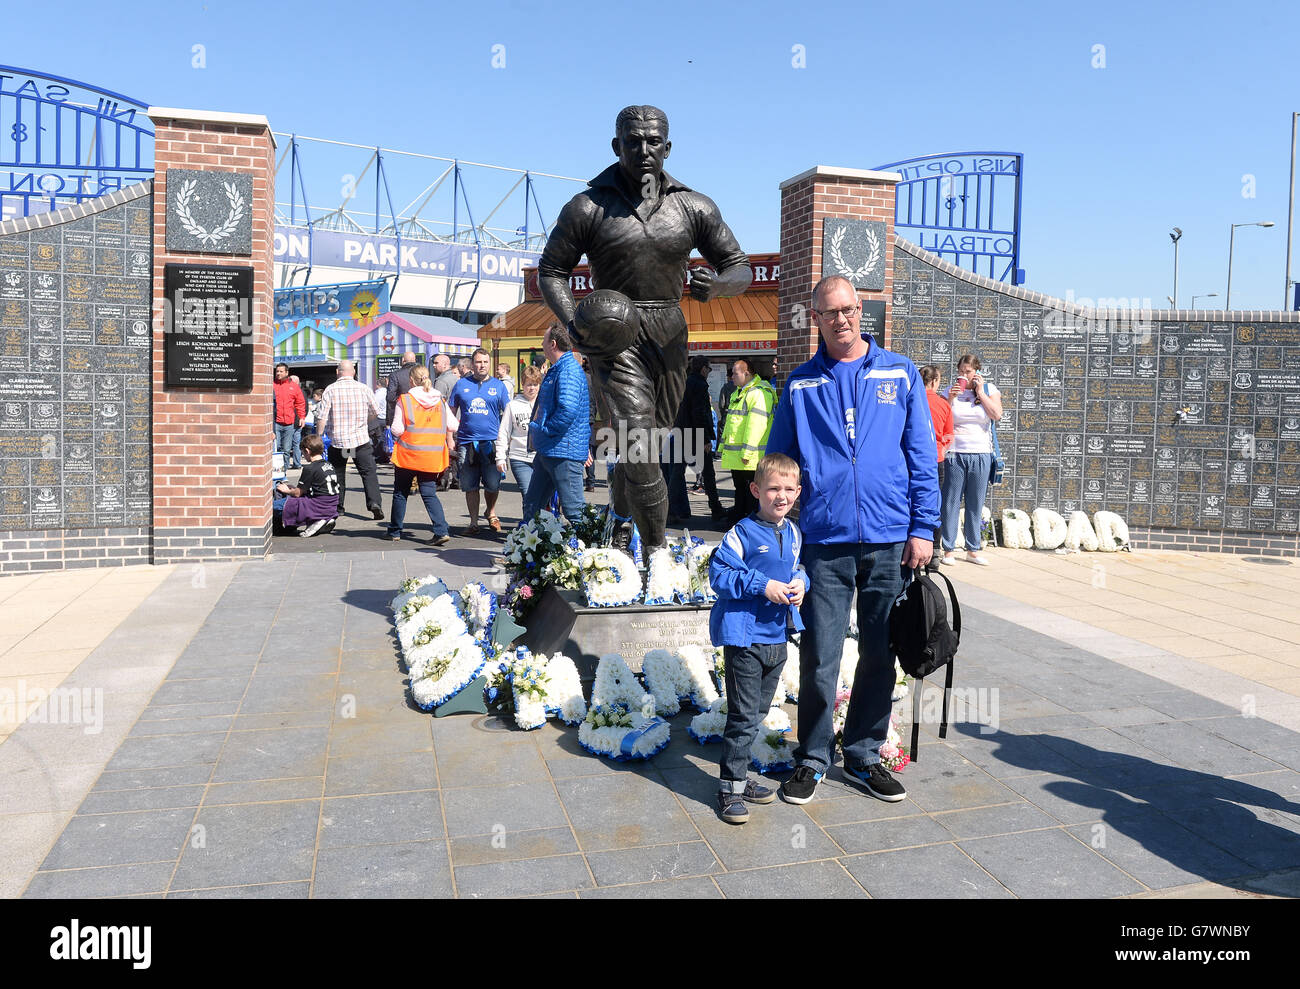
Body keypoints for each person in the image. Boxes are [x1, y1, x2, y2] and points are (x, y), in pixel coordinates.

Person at [537, 104, 751, 551]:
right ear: (616, 146)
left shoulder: (694, 206)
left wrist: (718, 287)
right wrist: (574, 321)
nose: (643, 149)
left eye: (653, 141)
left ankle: (618, 516)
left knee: (646, 444)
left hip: (670, 332)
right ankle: (656, 554)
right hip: (613, 333)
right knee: (638, 436)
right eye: (632, 141)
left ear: (668, 147)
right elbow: (551, 270)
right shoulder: (588, 206)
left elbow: (739, 267)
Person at [765, 275, 938, 806]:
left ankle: (863, 754)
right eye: (830, 312)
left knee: (880, 653)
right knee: (820, 654)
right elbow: (780, 461)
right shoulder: (799, 384)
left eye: (849, 309)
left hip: (889, 538)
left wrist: (923, 527)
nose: (842, 319)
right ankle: (814, 757)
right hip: (825, 540)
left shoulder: (900, 373)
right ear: (814, 318)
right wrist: (777, 530)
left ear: (862, 311)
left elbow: (922, 456)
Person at [708, 452, 809, 824]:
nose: (780, 496)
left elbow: (798, 567)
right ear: (755, 490)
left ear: (798, 492)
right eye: (772, 489)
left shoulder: (794, 531)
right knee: (743, 716)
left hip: (777, 637)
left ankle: (742, 777)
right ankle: (729, 787)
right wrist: (761, 585)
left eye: (787, 489)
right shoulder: (741, 534)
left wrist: (802, 584)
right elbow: (719, 577)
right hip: (745, 638)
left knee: (758, 714)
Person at [523, 323, 591, 523]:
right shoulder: (558, 369)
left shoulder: (568, 370)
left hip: (563, 452)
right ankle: (527, 551)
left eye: (544, 340)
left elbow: (567, 410)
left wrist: (545, 430)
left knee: (573, 511)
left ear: (552, 344)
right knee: (532, 506)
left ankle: (588, 552)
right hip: (550, 450)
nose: (541, 344)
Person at [939, 353, 1003, 566]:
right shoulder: (949, 391)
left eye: (968, 371)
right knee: (951, 502)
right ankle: (948, 549)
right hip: (954, 453)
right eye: (961, 371)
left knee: (975, 502)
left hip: (981, 453)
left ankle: (973, 549)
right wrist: (950, 398)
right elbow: (940, 418)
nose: (964, 375)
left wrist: (979, 393)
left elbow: (996, 414)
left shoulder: (988, 390)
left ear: (977, 372)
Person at [388, 365, 455, 546]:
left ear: (411, 380)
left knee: (401, 493)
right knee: (429, 493)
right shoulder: (440, 400)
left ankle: (395, 531)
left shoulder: (405, 400)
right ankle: (441, 530)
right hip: (431, 456)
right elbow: (453, 425)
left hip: (408, 455)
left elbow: (397, 429)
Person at [313, 359, 386, 520]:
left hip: (338, 441)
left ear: (337, 372)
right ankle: (374, 503)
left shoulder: (331, 390)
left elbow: (322, 417)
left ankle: (339, 507)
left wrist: (318, 436)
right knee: (368, 472)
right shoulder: (364, 388)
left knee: (338, 474)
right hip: (360, 439)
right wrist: (364, 423)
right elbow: (376, 411)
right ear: (353, 372)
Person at [449, 347, 509, 534]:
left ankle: (490, 512)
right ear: (472, 364)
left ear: (489, 364)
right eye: (478, 362)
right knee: (470, 485)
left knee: (493, 484)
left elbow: (508, 414)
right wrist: (449, 438)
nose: (482, 365)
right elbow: (450, 413)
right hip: (467, 442)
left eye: (485, 362)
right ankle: (473, 522)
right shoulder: (461, 384)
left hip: (491, 443)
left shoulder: (499, 386)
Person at [668, 355, 727, 524]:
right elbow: (700, 413)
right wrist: (706, 439)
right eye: (708, 368)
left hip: (681, 432)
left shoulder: (684, 383)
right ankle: (715, 508)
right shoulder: (700, 385)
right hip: (696, 436)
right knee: (708, 473)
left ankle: (669, 510)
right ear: (703, 369)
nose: (709, 372)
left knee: (677, 473)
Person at [719, 357, 777, 524]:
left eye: (735, 373)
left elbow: (756, 426)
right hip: (740, 456)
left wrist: (747, 452)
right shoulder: (741, 392)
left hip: (749, 457)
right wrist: (723, 446)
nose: (731, 377)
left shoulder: (757, 393)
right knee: (741, 489)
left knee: (749, 492)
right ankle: (740, 519)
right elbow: (732, 424)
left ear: (747, 373)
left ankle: (748, 523)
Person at [922, 365, 955, 568]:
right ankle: (934, 552)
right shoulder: (943, 405)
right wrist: (941, 449)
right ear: (934, 382)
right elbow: (949, 435)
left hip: (912, 461)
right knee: (934, 503)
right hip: (936, 460)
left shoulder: (912, 399)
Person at [275, 434, 339, 537]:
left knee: (274, 506)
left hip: (317, 505)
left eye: (303, 453)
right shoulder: (329, 465)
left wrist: (286, 490)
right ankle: (319, 520)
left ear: (307, 451)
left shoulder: (310, 468)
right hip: (331, 505)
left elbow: (297, 493)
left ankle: (317, 520)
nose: (303, 456)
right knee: (289, 499)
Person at [498, 364, 541, 503]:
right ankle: (528, 524)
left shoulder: (545, 405)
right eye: (529, 384)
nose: (532, 388)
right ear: (523, 384)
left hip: (542, 458)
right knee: (528, 493)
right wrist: (500, 457)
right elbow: (504, 432)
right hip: (519, 457)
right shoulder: (512, 406)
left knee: (543, 496)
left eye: (535, 384)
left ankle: (542, 523)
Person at [273, 363, 305, 470]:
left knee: (286, 450)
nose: (278, 373)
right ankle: (274, 472)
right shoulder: (272, 385)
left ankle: (284, 472)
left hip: (289, 423)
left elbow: (300, 403)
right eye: (277, 371)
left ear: (287, 373)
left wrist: (302, 417)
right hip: (275, 422)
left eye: (281, 371)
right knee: (275, 448)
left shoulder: (294, 387)